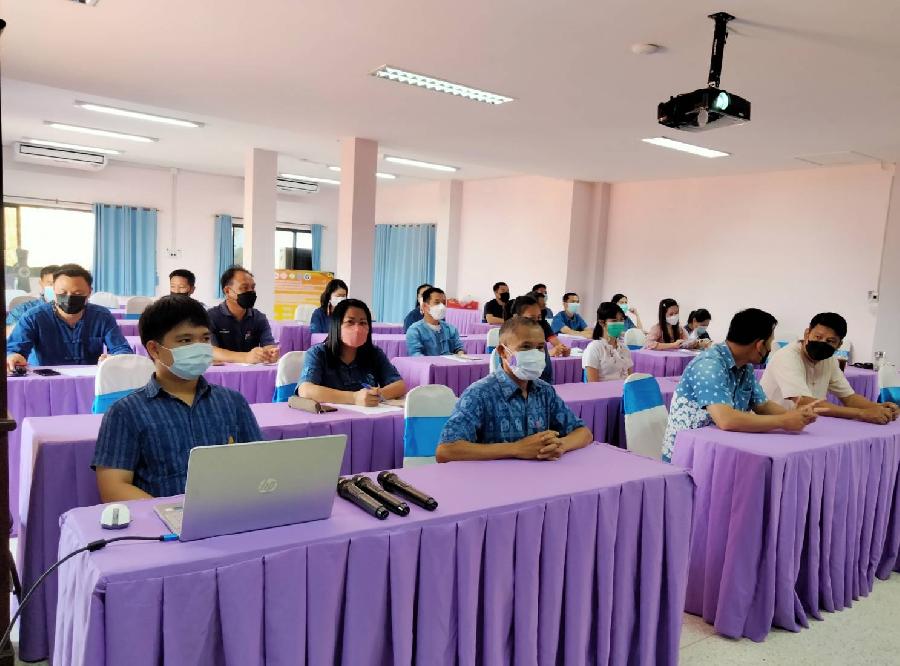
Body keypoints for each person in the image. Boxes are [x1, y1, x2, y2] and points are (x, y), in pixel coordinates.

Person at [92, 296, 263, 501]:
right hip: (158, 518)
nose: (199, 348)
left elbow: (258, 466)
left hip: (226, 511)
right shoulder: (125, 412)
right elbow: (113, 487)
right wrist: (172, 513)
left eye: (205, 339)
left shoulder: (232, 402)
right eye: (185, 341)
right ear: (155, 349)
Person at [662, 308, 822, 463]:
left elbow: (763, 405)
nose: (770, 349)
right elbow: (726, 419)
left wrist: (795, 415)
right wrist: (782, 421)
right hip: (691, 456)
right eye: (770, 343)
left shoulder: (745, 367)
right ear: (760, 345)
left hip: (725, 446)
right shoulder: (709, 364)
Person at [436, 317, 592, 462]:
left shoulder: (544, 391)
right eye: (526, 347)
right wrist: (516, 449)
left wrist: (560, 445)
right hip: (494, 479)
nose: (535, 354)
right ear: (503, 352)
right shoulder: (479, 394)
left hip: (538, 477)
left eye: (540, 348)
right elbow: (446, 450)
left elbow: (583, 432)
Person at [761, 312, 900, 423]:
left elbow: (849, 397)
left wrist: (878, 408)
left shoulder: (829, 360)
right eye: (818, 337)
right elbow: (804, 402)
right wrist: (862, 413)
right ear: (807, 333)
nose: (822, 343)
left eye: (830, 341)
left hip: (807, 424)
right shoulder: (787, 356)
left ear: (839, 345)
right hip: (772, 424)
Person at [7, 264, 132, 371]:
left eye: (78, 293)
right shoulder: (33, 317)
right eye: (62, 293)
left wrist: (115, 358)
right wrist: (13, 357)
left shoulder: (102, 316)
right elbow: (13, 350)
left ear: (89, 292)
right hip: (46, 381)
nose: (69, 297)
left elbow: (122, 349)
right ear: (53, 291)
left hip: (91, 381)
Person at [298, 298, 406, 405]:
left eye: (363, 323)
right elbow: (305, 390)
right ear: (337, 325)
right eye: (350, 322)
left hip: (367, 414)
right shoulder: (318, 353)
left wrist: (376, 395)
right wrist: (354, 398)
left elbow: (399, 385)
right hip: (332, 415)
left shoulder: (374, 353)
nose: (357, 329)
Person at [207, 266, 278, 364]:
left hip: (251, 371)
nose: (251, 292)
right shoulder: (210, 317)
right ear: (227, 291)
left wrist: (271, 354)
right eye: (244, 288)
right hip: (222, 372)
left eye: (253, 287)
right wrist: (246, 357)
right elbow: (210, 351)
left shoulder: (259, 317)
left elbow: (269, 345)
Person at [511, 293, 570, 384]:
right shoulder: (508, 344)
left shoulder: (542, 344)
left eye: (538, 317)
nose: (536, 323)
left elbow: (547, 377)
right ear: (516, 317)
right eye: (531, 318)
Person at [406, 287, 465, 356]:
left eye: (444, 303)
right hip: (426, 363)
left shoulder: (451, 329)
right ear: (425, 306)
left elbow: (458, 348)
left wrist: (461, 354)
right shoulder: (415, 330)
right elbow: (416, 354)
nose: (442, 306)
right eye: (437, 302)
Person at [583, 302, 633, 382]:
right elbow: (592, 384)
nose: (619, 324)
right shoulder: (594, 348)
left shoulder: (624, 349)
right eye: (614, 320)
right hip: (603, 390)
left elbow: (630, 380)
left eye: (621, 320)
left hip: (623, 389)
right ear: (602, 322)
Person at [6, 264, 59, 335]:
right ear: (41, 283)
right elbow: (9, 334)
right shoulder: (22, 310)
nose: (55, 288)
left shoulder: (71, 310)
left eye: (59, 284)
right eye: (50, 284)